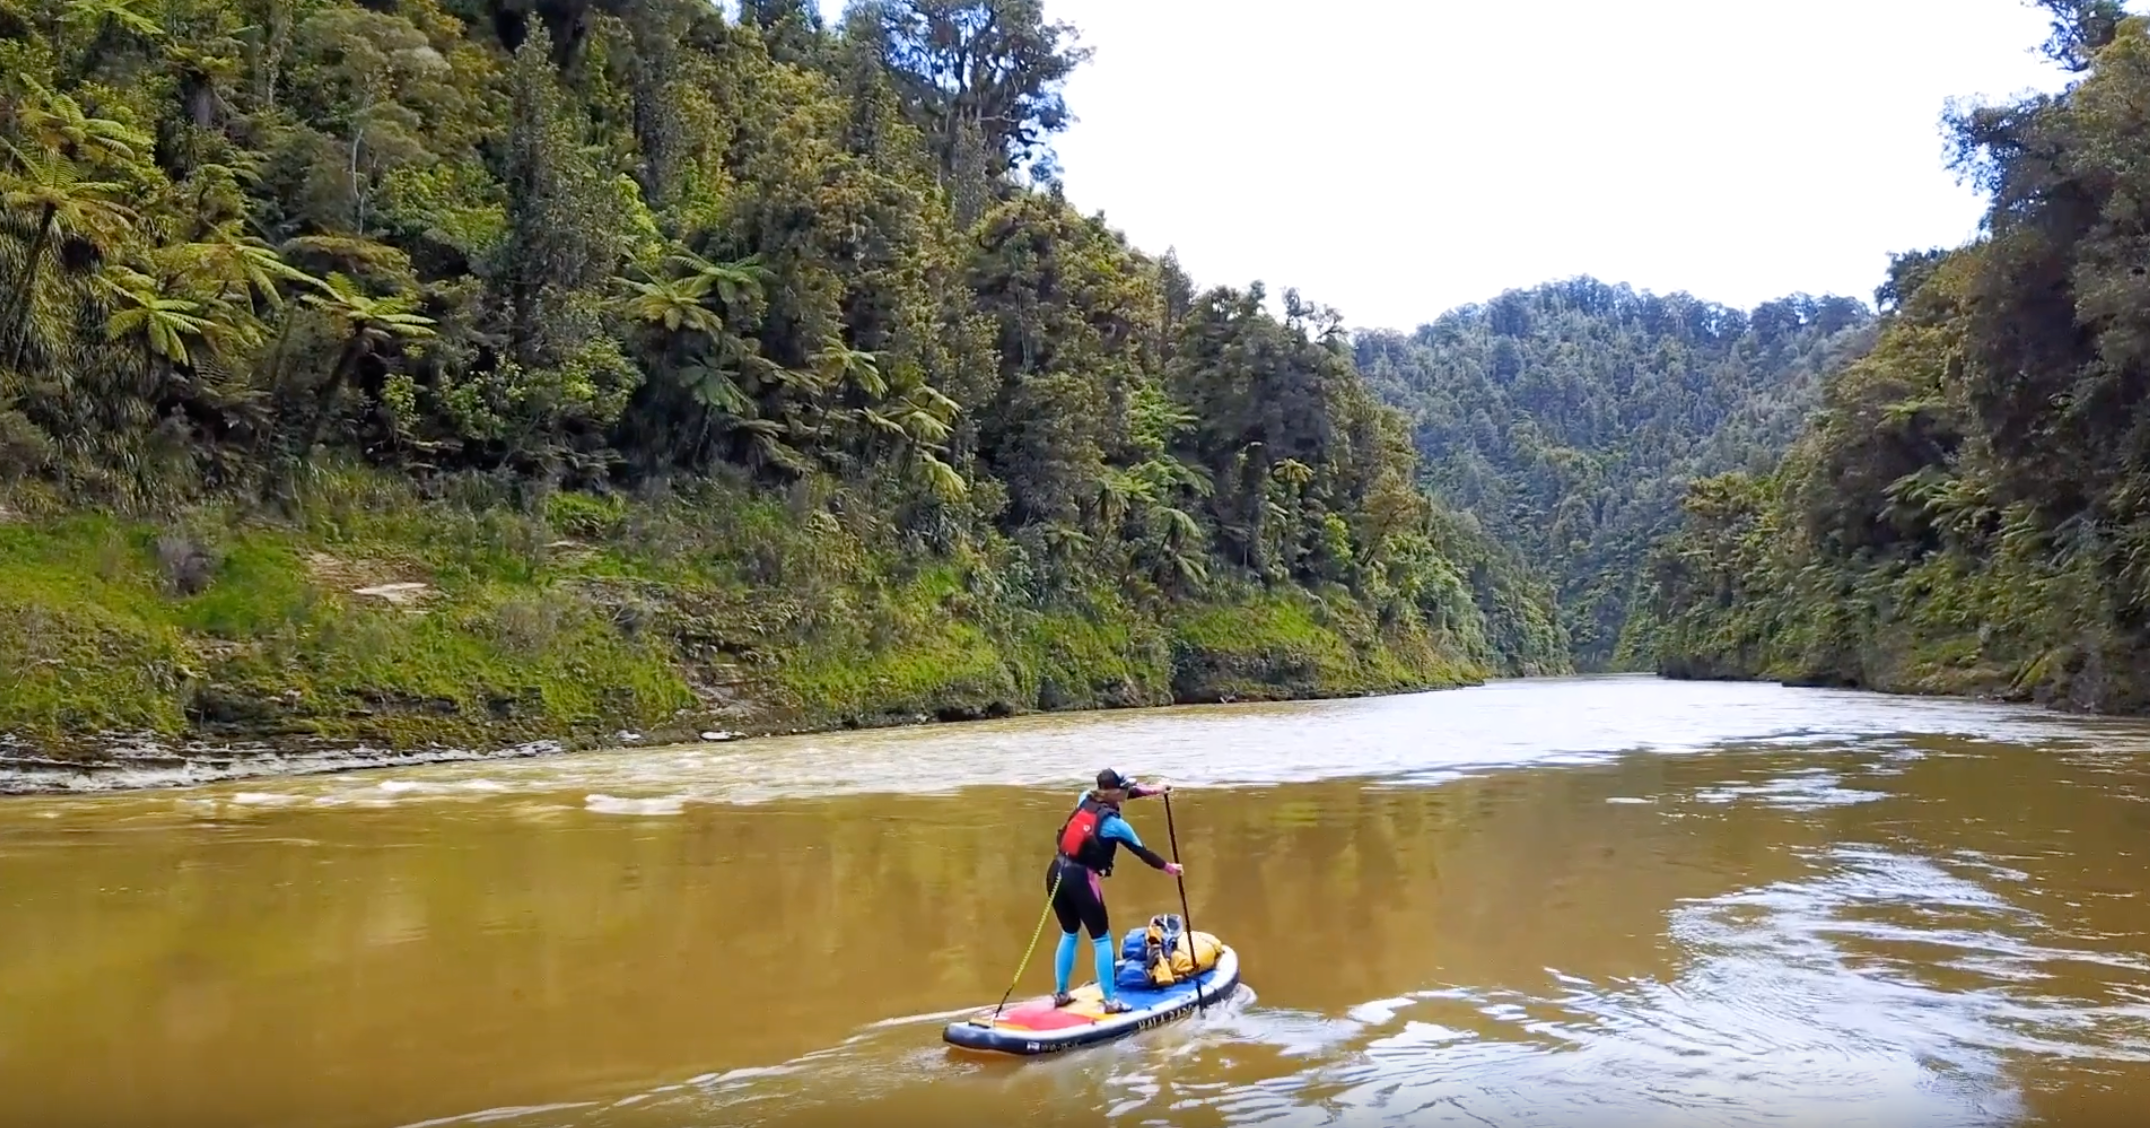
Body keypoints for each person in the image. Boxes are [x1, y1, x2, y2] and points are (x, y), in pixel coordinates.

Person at [1047, 767, 1183, 1013]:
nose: (1129, 790)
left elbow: (1124, 794)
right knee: (1101, 939)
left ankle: (1061, 994)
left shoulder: (1085, 798)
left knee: (1069, 933)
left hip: (1056, 871)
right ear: (1115, 791)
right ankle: (1111, 1001)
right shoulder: (1115, 824)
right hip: (1081, 879)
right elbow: (1144, 852)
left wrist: (1154, 790)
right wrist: (1170, 868)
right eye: (1125, 787)